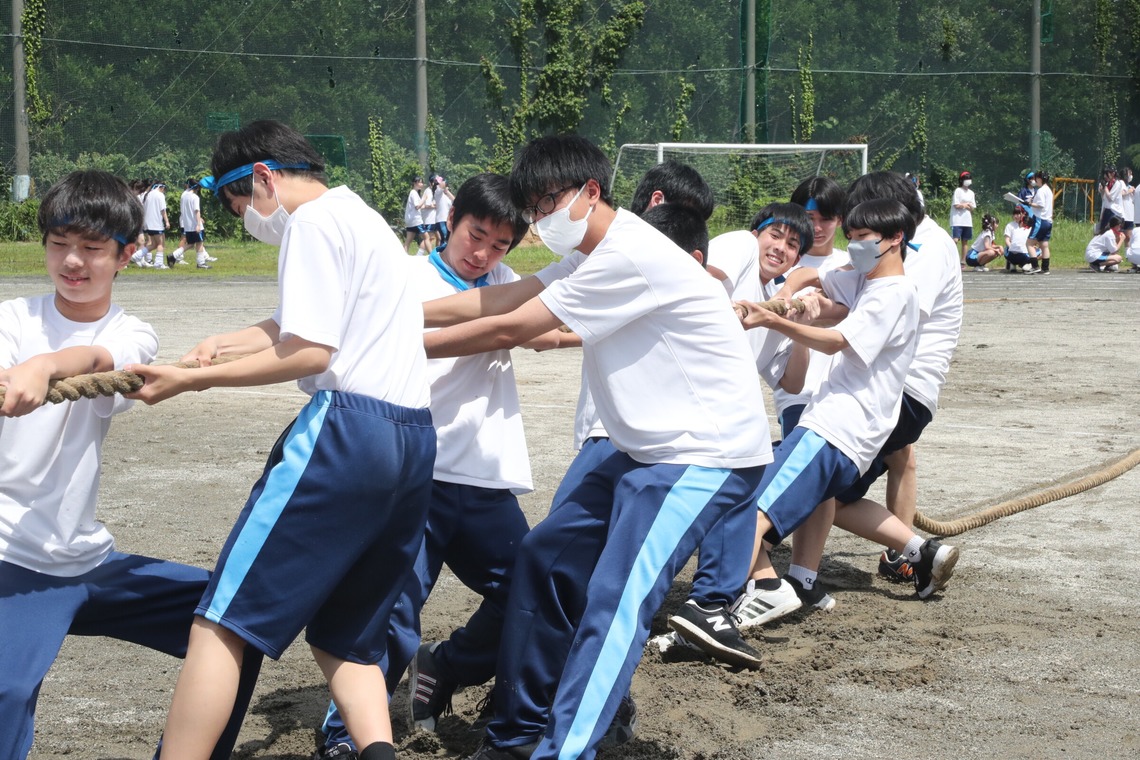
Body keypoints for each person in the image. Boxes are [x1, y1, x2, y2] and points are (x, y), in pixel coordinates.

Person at [421, 134, 771, 760]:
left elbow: (510, 327)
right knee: (544, 557)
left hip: (703, 454)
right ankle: (515, 734)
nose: (540, 217)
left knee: (616, 598)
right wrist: (402, 311)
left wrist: (394, 342)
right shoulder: (593, 251)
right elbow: (510, 296)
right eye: (533, 205)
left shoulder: (629, 253)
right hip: (641, 450)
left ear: (590, 191)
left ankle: (563, 749)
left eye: (548, 200)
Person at [128, 120, 435, 760]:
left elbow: (310, 350)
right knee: (345, 639)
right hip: (412, 442)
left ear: (263, 177)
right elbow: (303, 319)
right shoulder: (362, 215)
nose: (249, 220)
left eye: (242, 205)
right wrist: (223, 345)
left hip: (347, 433)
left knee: (222, 621)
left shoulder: (310, 223)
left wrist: (190, 383)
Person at [0, 169, 263, 760]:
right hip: (11, 559)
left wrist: (44, 367)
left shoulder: (132, 332)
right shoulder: (9, 319)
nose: (72, 261)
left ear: (128, 253)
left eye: (92, 248)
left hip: (88, 559)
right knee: (6, 690)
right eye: (58, 244)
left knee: (235, 626)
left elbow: (100, 360)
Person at [314, 173, 562, 758]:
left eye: (499, 246)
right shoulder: (406, 278)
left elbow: (544, 332)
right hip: (414, 474)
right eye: (476, 236)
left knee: (531, 586)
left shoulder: (506, 282)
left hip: (480, 477)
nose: (483, 255)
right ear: (451, 222)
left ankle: (447, 665)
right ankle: (344, 732)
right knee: (394, 610)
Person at [672, 199, 958, 670]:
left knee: (753, 513)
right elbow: (828, 296)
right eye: (854, 236)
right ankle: (773, 587)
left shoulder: (895, 294)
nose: (856, 247)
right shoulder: (867, 282)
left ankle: (717, 607)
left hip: (834, 430)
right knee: (766, 509)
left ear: (894, 240)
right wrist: (803, 296)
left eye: (866, 239)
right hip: (840, 434)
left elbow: (838, 339)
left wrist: (772, 318)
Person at [171, 180, 216, 269]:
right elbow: (196, 211)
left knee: (191, 244)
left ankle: (173, 255)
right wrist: (198, 224)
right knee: (199, 243)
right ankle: (201, 263)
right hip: (195, 224)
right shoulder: (195, 197)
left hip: (187, 225)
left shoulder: (184, 195)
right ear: (197, 188)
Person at [1024, 171, 1055, 274]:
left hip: (1040, 220)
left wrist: (1030, 203)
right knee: (1044, 244)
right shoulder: (1048, 190)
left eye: (1036, 178)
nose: (1034, 180)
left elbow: (1040, 205)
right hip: (1048, 221)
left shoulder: (1041, 190)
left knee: (1029, 243)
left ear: (1040, 179)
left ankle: (1035, 266)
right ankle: (1045, 268)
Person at [141, 181, 170, 269]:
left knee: (153, 244)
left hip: (147, 224)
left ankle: (136, 256)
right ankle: (158, 263)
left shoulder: (148, 194)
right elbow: (163, 210)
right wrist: (167, 221)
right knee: (161, 244)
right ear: (161, 187)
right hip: (156, 223)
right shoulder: (160, 195)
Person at [950, 171, 976, 267]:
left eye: (969, 178)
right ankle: (951, 259)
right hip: (957, 220)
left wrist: (967, 206)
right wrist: (965, 205)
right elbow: (956, 205)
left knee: (965, 241)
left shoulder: (971, 193)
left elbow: (973, 207)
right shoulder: (958, 190)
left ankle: (963, 261)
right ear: (961, 180)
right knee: (955, 240)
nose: (968, 181)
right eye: (966, 178)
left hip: (967, 221)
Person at [1004, 205, 1037, 273]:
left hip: (1016, 252)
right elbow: (1007, 240)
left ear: (1023, 214)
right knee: (1038, 251)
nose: (1016, 216)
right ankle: (1025, 264)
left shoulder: (1026, 224)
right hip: (1015, 251)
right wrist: (1013, 248)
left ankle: (1015, 263)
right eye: (1014, 214)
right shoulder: (1010, 225)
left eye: (1018, 214)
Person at [404, 176, 429, 255]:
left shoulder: (415, 193)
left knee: (408, 241)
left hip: (410, 221)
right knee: (427, 238)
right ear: (415, 183)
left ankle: (402, 257)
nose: (422, 184)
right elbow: (417, 206)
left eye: (422, 182)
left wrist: (430, 206)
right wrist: (424, 199)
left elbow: (420, 206)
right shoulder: (413, 193)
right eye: (420, 182)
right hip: (416, 221)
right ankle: (432, 255)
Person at [431, 174, 456, 247]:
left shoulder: (445, 196)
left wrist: (447, 191)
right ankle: (440, 255)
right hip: (441, 220)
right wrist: (441, 180)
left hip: (447, 220)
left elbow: (455, 200)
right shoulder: (437, 193)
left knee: (448, 239)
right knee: (444, 239)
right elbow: (442, 184)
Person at [1098, 167, 1124, 234]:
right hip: (1106, 209)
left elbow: (1111, 198)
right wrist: (1102, 190)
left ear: (1113, 174)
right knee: (1102, 231)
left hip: (1114, 211)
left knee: (1111, 233)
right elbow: (1104, 198)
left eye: (1107, 174)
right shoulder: (1107, 183)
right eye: (1104, 174)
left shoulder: (1117, 184)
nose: (1105, 176)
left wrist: (1105, 188)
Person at [1121, 167, 1135, 248]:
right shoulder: (1120, 183)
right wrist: (1128, 191)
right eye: (1130, 174)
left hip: (1130, 214)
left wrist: (1132, 192)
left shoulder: (1130, 186)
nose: (1131, 176)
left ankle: (1128, 254)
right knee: (1120, 236)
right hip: (1122, 214)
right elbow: (1121, 193)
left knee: (1129, 237)